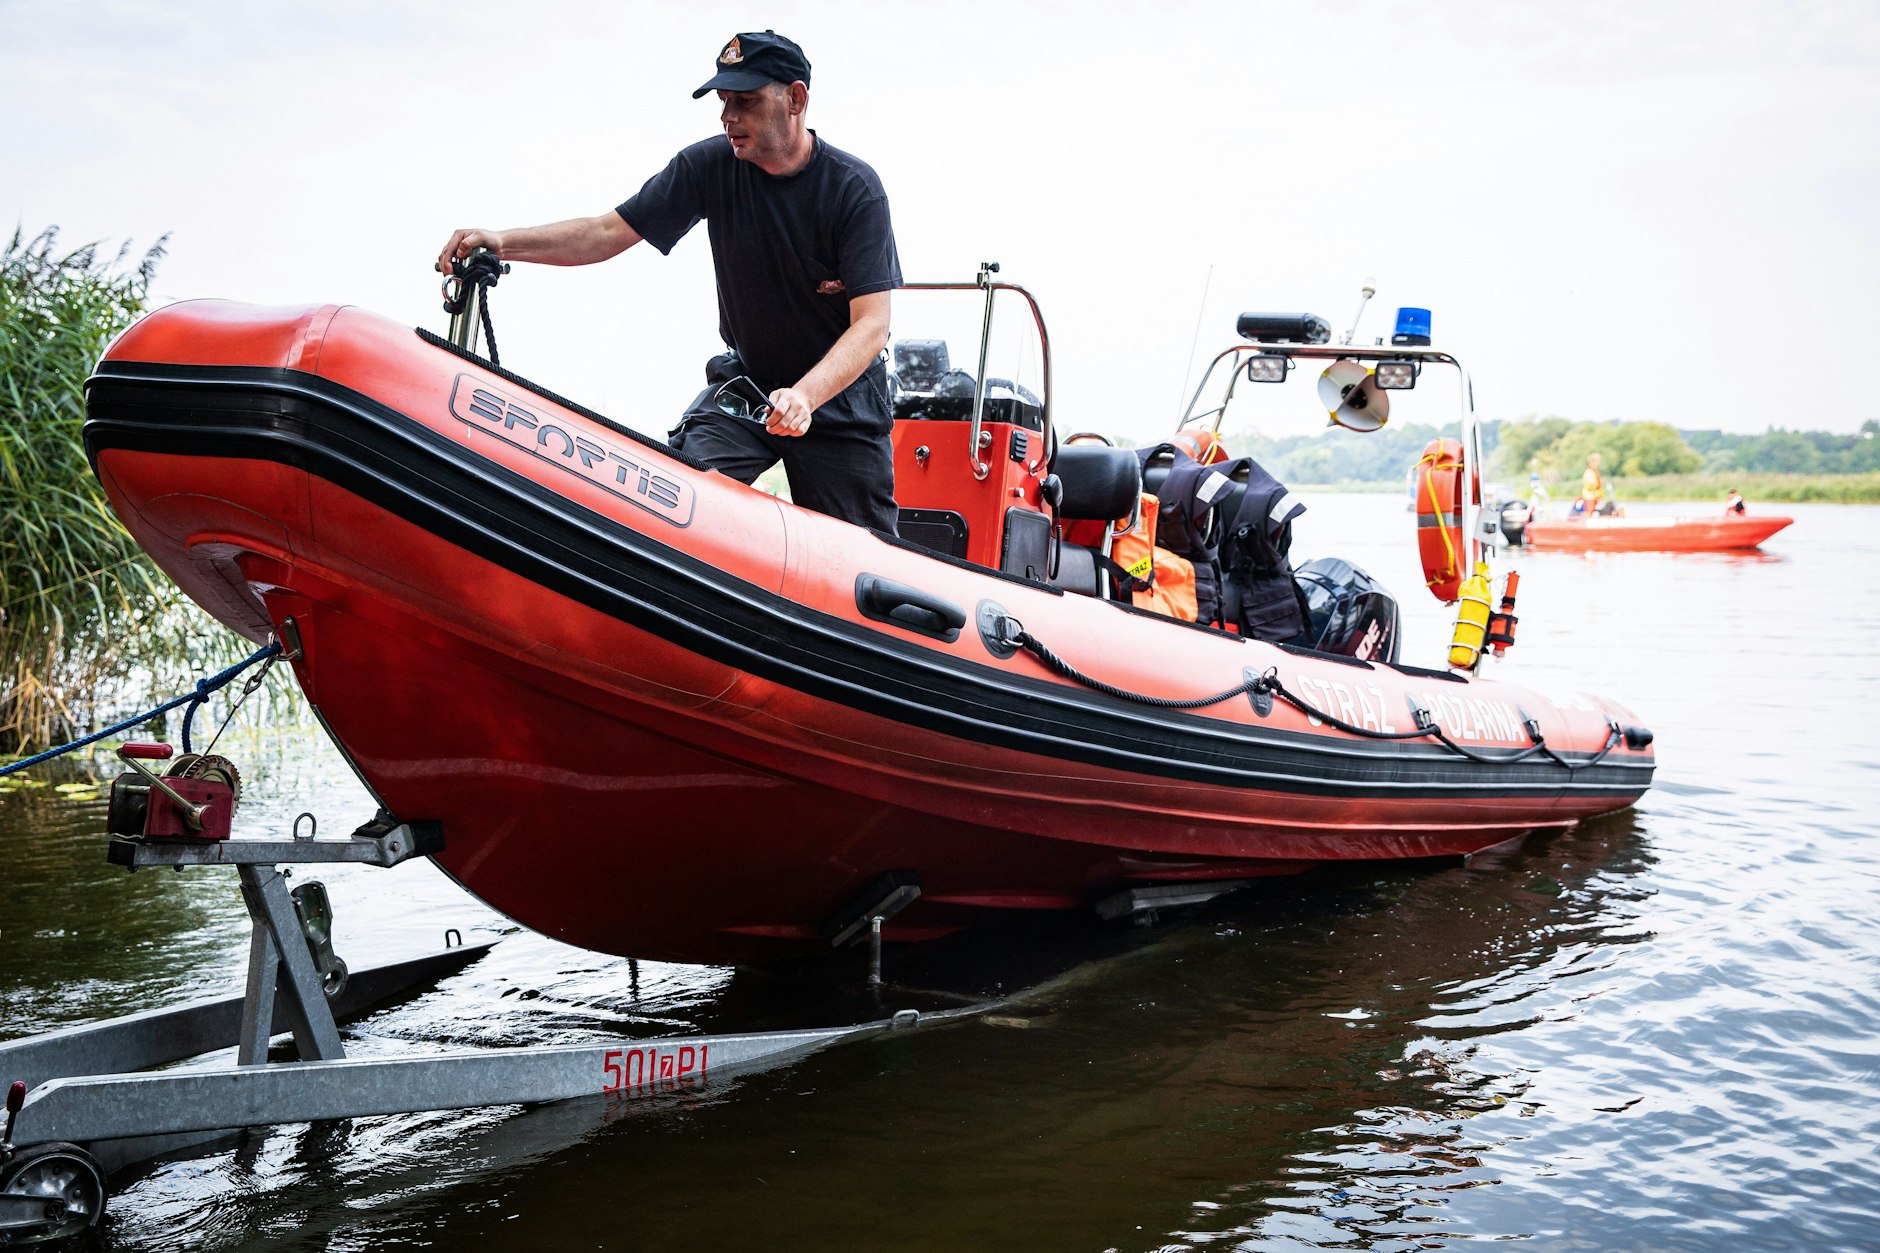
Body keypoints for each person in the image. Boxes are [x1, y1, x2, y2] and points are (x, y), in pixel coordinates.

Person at [436, 30, 902, 534]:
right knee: (670, 500)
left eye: (744, 102)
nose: (728, 117)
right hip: (749, 390)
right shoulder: (707, 166)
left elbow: (872, 325)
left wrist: (807, 396)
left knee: (867, 567)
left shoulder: (855, 190)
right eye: (723, 103)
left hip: (837, 405)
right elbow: (605, 232)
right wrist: (502, 242)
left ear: (796, 98)